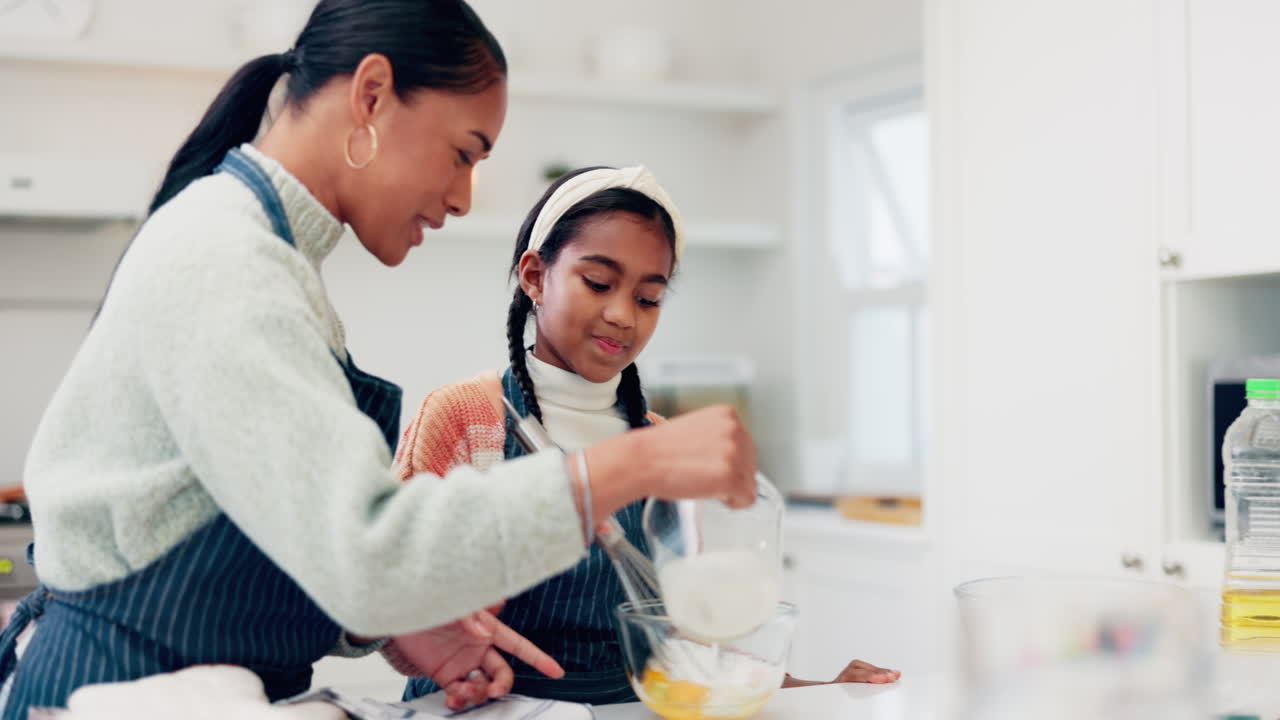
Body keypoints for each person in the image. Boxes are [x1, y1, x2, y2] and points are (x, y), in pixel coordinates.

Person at [0, 3, 758, 717]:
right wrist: (635, 465)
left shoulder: (272, 262)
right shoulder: (225, 260)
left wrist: (385, 626)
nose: (464, 197)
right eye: (463, 154)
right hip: (125, 690)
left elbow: (285, 539)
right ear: (372, 95)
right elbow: (369, 552)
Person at [393, 166, 901, 705]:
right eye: (598, 283)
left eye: (648, 298)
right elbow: (379, 592)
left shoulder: (662, 448)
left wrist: (820, 690)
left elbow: (691, 647)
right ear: (536, 276)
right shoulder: (465, 418)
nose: (621, 315)